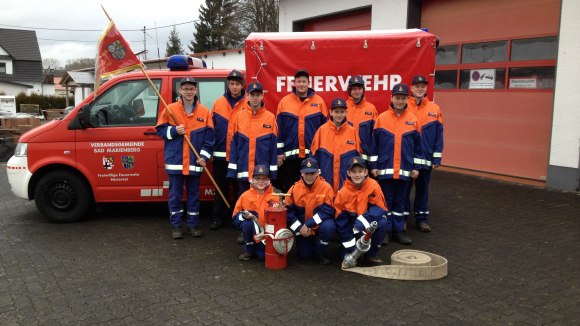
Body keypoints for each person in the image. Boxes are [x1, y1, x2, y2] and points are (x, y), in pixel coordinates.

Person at [156, 77, 214, 239]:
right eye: (185, 88)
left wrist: (203, 156)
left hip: (195, 163)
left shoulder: (204, 112)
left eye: (192, 89)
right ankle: (176, 226)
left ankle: (192, 225)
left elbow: (209, 140)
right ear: (180, 90)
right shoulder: (170, 109)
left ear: (196, 91)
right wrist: (174, 131)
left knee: (194, 195)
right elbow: (160, 131)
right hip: (176, 162)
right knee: (175, 195)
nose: (189, 92)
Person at [370, 83, 423, 245]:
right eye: (397, 98)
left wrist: (416, 168)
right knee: (386, 201)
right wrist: (373, 166)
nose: (399, 101)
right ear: (391, 98)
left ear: (408, 98)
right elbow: (374, 146)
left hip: (405, 170)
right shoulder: (381, 118)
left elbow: (418, 148)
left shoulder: (413, 120)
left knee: (400, 201)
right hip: (385, 170)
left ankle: (398, 231)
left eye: (403, 98)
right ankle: (386, 231)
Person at [275, 69, 328, 193]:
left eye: (304, 81)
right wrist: (279, 152)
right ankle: (291, 212)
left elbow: (325, 130)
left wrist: (322, 152)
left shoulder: (319, 102)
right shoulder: (284, 102)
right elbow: (279, 129)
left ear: (308, 83)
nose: (301, 84)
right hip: (289, 157)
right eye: (299, 81)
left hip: (312, 155)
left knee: (312, 189)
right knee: (290, 190)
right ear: (294, 83)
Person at [405, 75, 444, 232]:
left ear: (426, 89)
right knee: (404, 189)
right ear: (412, 88)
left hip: (426, 156)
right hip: (407, 156)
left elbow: (439, 134)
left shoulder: (435, 109)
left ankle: (421, 219)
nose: (420, 89)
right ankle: (403, 219)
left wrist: (437, 156)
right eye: (417, 86)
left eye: (422, 86)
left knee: (423, 188)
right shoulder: (403, 105)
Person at [209, 70, 246, 231]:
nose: (234, 86)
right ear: (228, 85)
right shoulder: (218, 103)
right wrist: (209, 150)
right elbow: (211, 128)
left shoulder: (248, 103)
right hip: (220, 155)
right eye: (232, 84)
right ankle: (219, 218)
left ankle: (239, 218)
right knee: (220, 189)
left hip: (240, 156)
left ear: (242, 85)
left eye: (237, 84)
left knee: (240, 190)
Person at [334, 156, 388, 265]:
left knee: (382, 222)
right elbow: (340, 220)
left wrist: (361, 222)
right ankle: (346, 246)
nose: (357, 175)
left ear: (366, 172)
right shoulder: (343, 193)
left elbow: (381, 208)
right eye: (354, 172)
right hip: (352, 229)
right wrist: (349, 243)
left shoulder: (374, 186)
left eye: (360, 171)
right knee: (348, 256)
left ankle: (371, 254)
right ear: (348, 173)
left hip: (366, 225)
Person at [227, 82, 278, 195]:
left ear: (262, 96)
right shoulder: (239, 117)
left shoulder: (270, 118)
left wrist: (272, 173)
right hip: (243, 171)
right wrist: (232, 171)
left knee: (262, 204)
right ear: (247, 95)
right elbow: (233, 146)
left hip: (262, 174)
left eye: (258, 94)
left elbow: (274, 148)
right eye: (252, 94)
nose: (255, 97)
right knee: (245, 204)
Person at [285, 158, 335, 265]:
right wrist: (300, 228)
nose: (309, 176)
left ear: (318, 172)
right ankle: (311, 241)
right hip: (302, 227)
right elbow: (288, 213)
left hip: (318, 224)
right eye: (306, 173)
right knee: (304, 256)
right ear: (301, 173)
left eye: (312, 173)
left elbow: (328, 211)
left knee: (329, 226)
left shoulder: (326, 187)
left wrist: (309, 224)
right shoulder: (294, 189)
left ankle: (320, 252)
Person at [310, 98, 361, 196]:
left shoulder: (352, 132)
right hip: (325, 182)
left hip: (346, 184)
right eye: (336, 111)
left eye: (342, 112)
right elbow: (313, 158)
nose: (339, 115)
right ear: (331, 112)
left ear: (346, 112)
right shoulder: (321, 131)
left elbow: (357, 159)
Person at [232, 165, 279, 261]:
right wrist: (244, 216)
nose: (261, 181)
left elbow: (283, 221)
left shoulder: (276, 196)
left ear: (269, 180)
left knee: (263, 257)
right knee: (247, 224)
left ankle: (259, 248)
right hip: (253, 230)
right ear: (252, 179)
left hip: (268, 233)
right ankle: (249, 250)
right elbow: (235, 219)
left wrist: (277, 211)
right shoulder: (245, 196)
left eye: (264, 179)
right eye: (257, 178)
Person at [346, 76, 379, 162]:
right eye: (354, 89)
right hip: (346, 154)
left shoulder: (371, 109)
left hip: (365, 157)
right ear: (349, 90)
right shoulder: (343, 107)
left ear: (363, 89)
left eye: (359, 88)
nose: (357, 91)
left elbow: (376, 135)